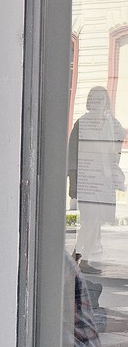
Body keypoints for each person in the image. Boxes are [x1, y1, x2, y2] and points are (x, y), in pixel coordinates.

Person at [68, 86, 126, 275]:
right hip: (88, 179)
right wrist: (74, 181)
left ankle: (80, 259)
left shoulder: (111, 123)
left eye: (101, 99)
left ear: (106, 103)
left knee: (96, 221)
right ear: (89, 102)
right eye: (93, 99)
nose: (97, 103)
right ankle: (76, 259)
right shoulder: (82, 123)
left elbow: (121, 136)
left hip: (104, 179)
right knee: (90, 221)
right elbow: (72, 153)